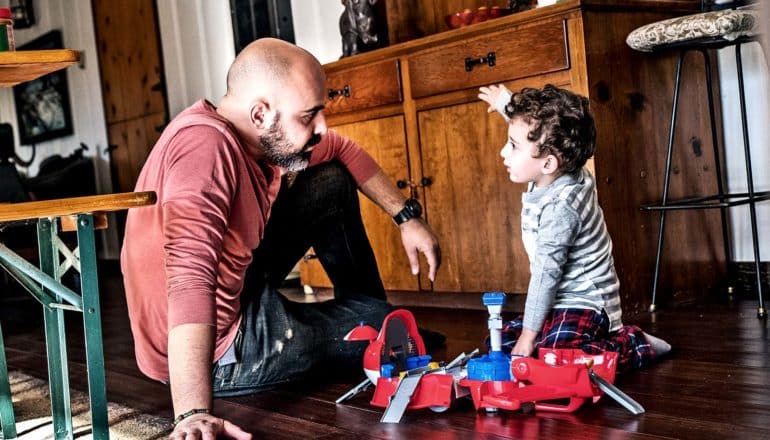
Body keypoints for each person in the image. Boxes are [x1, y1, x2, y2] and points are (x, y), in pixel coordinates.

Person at [121, 38, 441, 439]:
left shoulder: (253, 139)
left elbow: (341, 148)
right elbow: (189, 280)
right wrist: (193, 412)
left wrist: (406, 216)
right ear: (260, 113)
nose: (321, 126)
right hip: (215, 353)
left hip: (235, 290)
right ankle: (372, 325)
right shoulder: (205, 149)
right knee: (387, 327)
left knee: (329, 180)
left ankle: (367, 315)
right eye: (310, 115)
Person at [477, 83, 670, 371]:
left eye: (513, 147)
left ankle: (632, 343)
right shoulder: (554, 165)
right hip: (559, 301)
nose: (504, 152)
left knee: (556, 359)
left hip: (589, 302)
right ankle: (549, 343)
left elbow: (546, 275)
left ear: (548, 163)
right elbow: (535, 133)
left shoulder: (561, 207)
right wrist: (506, 103)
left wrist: (529, 338)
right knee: (500, 343)